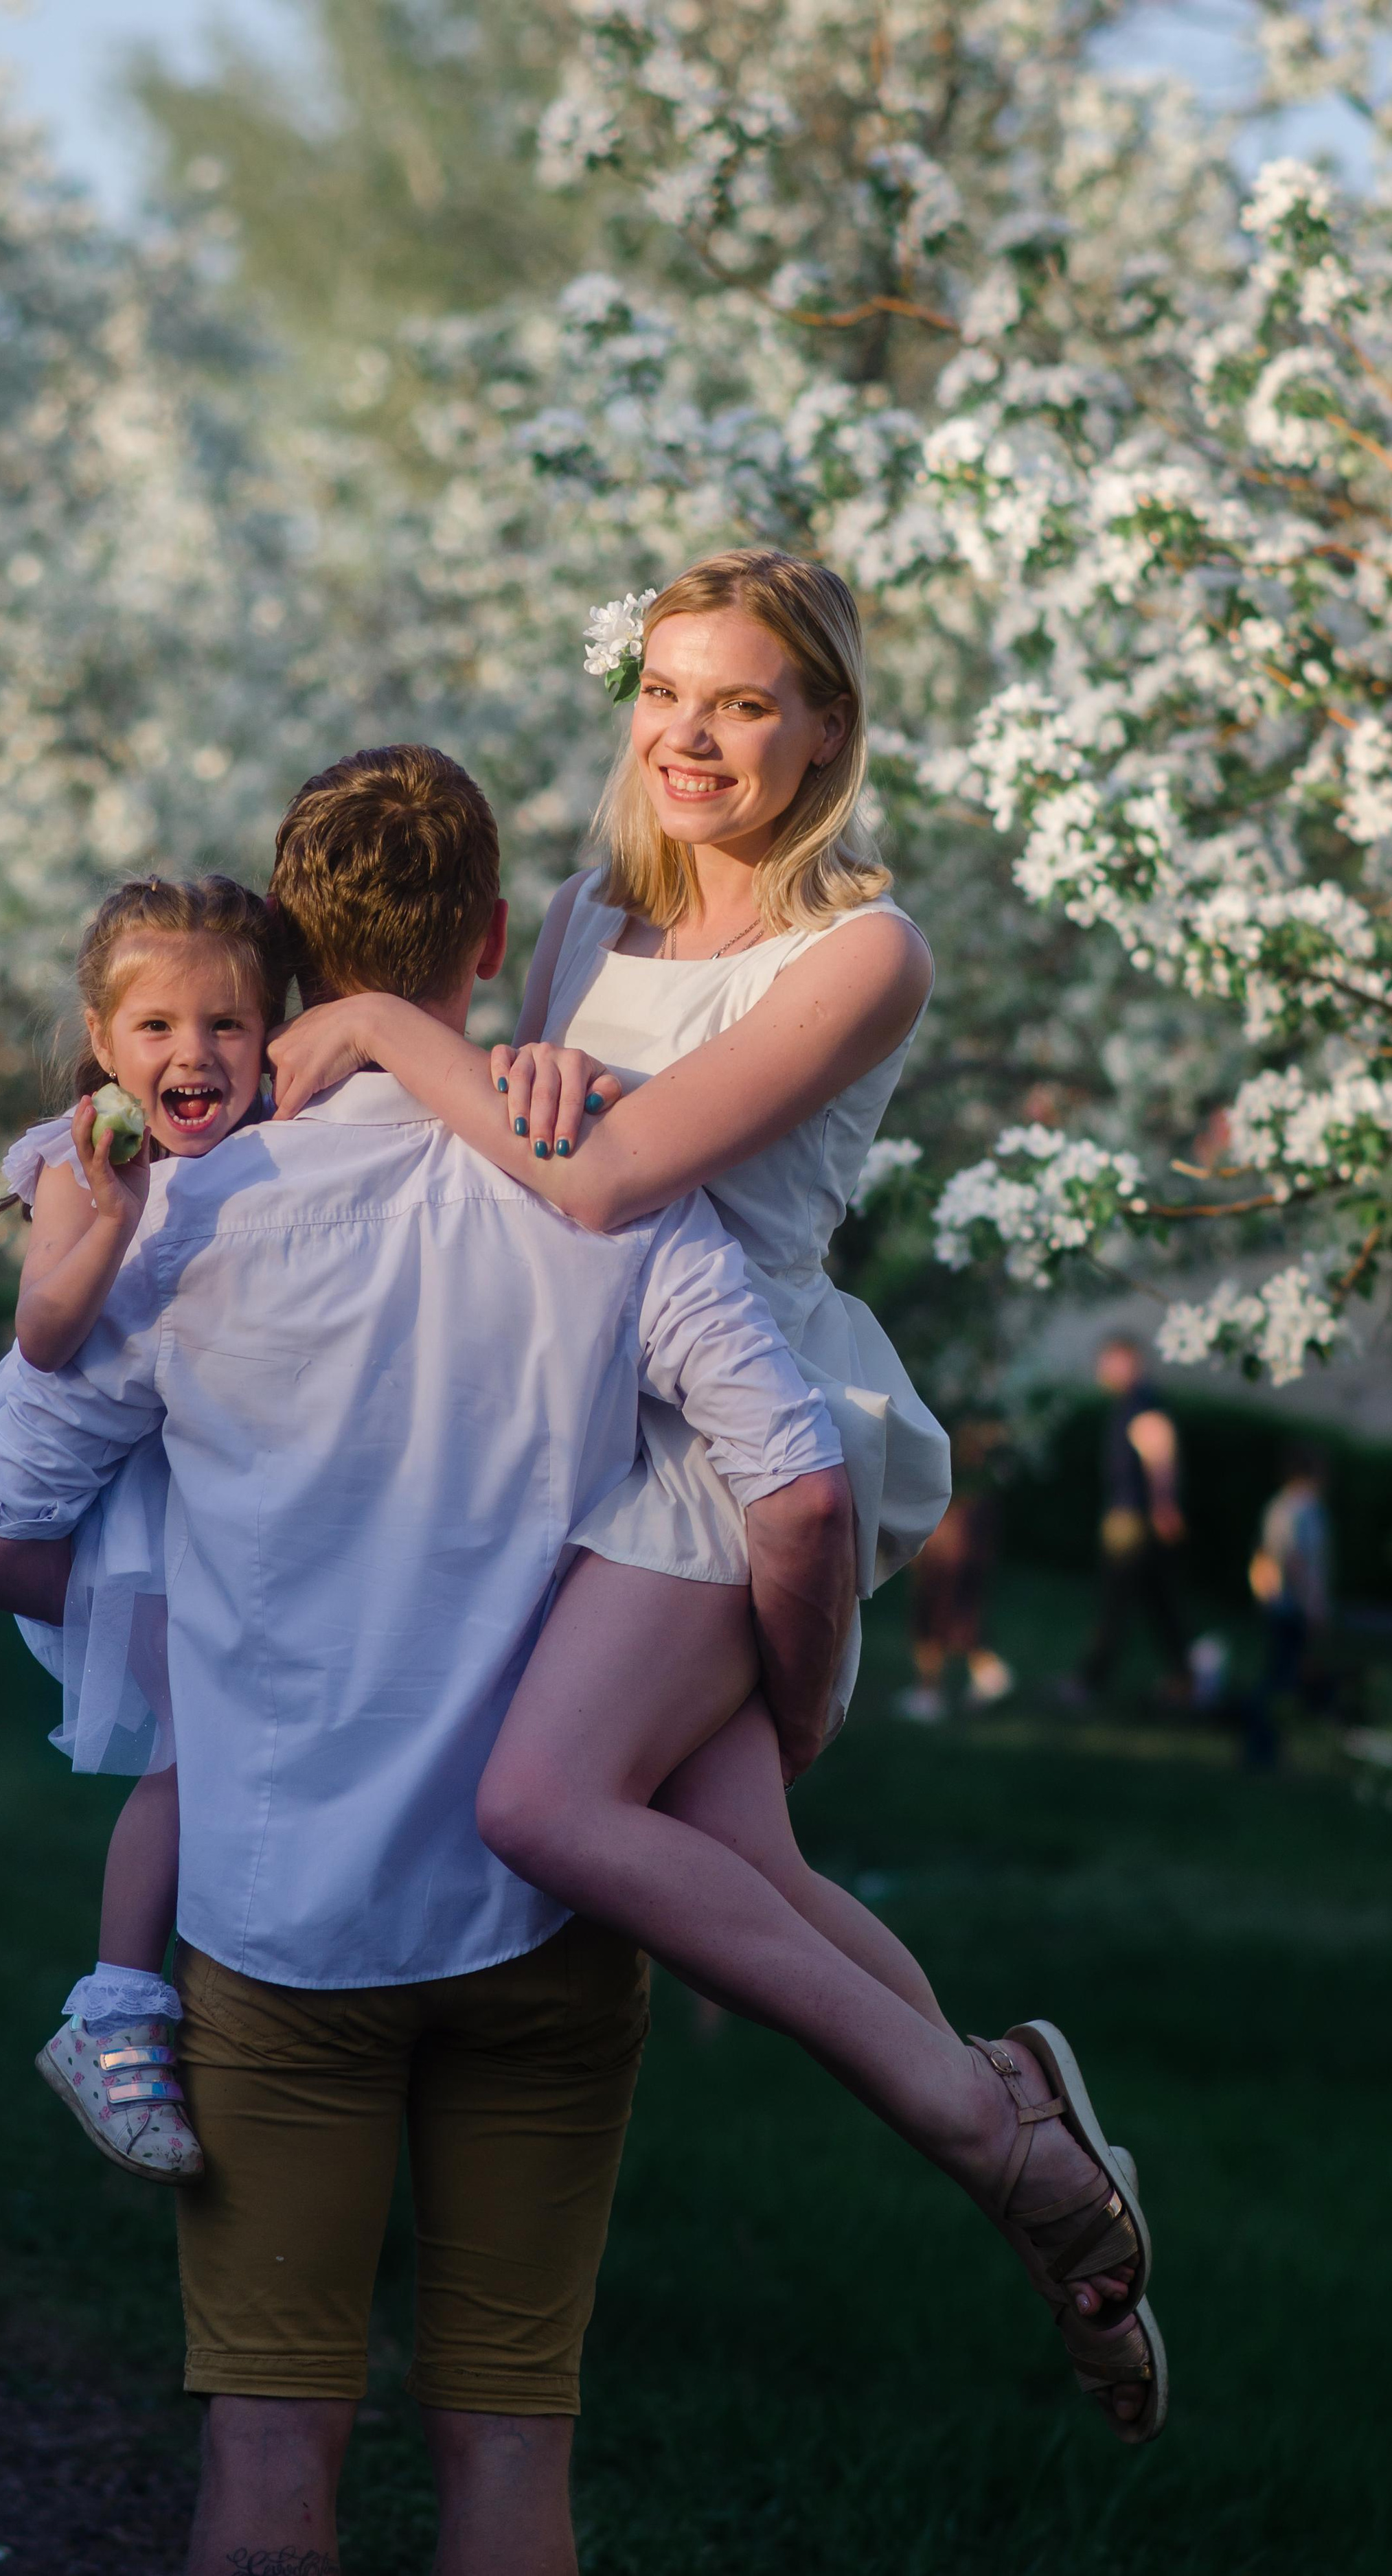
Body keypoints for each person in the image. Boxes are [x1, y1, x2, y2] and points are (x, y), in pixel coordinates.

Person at [0, 741, 858, 2576]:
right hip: (545, 1910)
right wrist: (784, 1719)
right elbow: (797, 1485)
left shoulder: (186, 1209)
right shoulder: (610, 1198)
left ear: (286, 956)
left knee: (274, 2451)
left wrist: (196, 1621)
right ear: (501, 943)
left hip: (281, 1917)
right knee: (513, 2445)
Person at [269, 555, 1165, 2441]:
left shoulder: (863, 951)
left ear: (824, 729)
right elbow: (530, 1137)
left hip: (741, 1411)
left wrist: (372, 1025)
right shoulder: (585, 916)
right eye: (667, 692)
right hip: (597, 1405)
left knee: (544, 1800)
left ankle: (986, 2143)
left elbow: (613, 1181)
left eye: (745, 702)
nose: (692, 735)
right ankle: (1028, 2137)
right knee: (752, 1872)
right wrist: (505, 1054)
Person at [0, 873, 287, 2187]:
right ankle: (112, 2015)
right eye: (157, 1027)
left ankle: (153, 2004)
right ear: (105, 1046)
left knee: (201, 1746)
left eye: (229, 1025)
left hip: (178, 1487)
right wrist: (112, 1220)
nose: (195, 1054)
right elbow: (47, 1336)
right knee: (194, 1749)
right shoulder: (80, 1162)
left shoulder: (282, 1149)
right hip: (82, 1497)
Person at [1067, 1337, 1193, 1707]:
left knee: (1115, 1604)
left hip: (1132, 1521)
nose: (1101, 1371)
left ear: (1127, 1361)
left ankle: (1090, 1680)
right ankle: (1183, 1678)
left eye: (1107, 1362)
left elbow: (1159, 1452)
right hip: (1135, 1518)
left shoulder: (1141, 1401)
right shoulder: (1133, 1401)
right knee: (1159, 1602)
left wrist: (1164, 1505)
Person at [898, 1422, 1010, 1722]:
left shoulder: (952, 1440)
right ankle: (986, 1674)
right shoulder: (983, 1476)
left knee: (934, 1609)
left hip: (948, 1532)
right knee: (958, 1610)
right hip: (968, 1532)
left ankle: (929, 1693)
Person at [1243, 1445, 1333, 1770]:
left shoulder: (1277, 1506)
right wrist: (1313, 1607)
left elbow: (1264, 1555)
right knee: (1281, 1679)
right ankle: (1263, 1747)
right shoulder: (1306, 1510)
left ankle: (1263, 1744)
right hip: (1295, 1607)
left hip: (1277, 1604)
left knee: (1275, 1674)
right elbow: (1300, 1562)